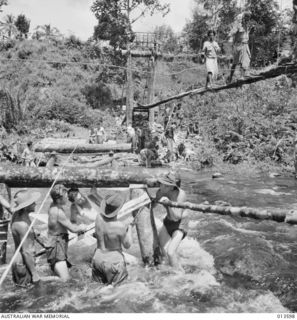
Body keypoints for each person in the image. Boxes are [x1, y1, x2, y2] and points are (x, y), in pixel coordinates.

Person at [92, 192, 133, 286]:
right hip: (114, 262)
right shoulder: (120, 227)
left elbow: (106, 228)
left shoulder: (98, 217)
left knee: (96, 288)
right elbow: (127, 245)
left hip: (97, 258)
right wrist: (130, 228)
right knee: (119, 291)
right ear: (118, 210)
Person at [47, 184, 86, 281]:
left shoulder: (54, 205)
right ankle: (38, 279)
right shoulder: (58, 212)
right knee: (65, 279)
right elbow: (73, 229)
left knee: (61, 274)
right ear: (59, 199)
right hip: (57, 245)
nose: (68, 198)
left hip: (55, 243)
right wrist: (82, 227)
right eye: (65, 197)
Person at [151, 172, 188, 271]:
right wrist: (150, 201)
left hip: (180, 225)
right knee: (162, 250)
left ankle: (180, 274)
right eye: (161, 183)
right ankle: (170, 268)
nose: (160, 185)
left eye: (164, 184)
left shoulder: (180, 194)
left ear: (171, 187)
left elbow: (177, 217)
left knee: (170, 252)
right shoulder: (160, 192)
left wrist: (168, 204)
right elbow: (153, 206)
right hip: (168, 222)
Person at [11, 190, 43, 286]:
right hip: (23, 263)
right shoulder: (23, 225)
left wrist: (34, 233)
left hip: (19, 262)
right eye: (32, 202)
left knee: (23, 290)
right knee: (29, 292)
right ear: (25, 207)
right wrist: (34, 273)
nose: (35, 204)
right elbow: (26, 252)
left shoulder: (18, 215)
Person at [227, 12, 253, 83]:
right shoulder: (238, 25)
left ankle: (242, 76)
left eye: (248, 18)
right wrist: (229, 39)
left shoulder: (247, 26)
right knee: (235, 63)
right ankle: (230, 78)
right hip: (238, 45)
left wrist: (252, 30)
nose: (247, 19)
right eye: (246, 17)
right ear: (243, 17)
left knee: (245, 60)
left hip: (245, 45)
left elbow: (247, 35)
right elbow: (232, 33)